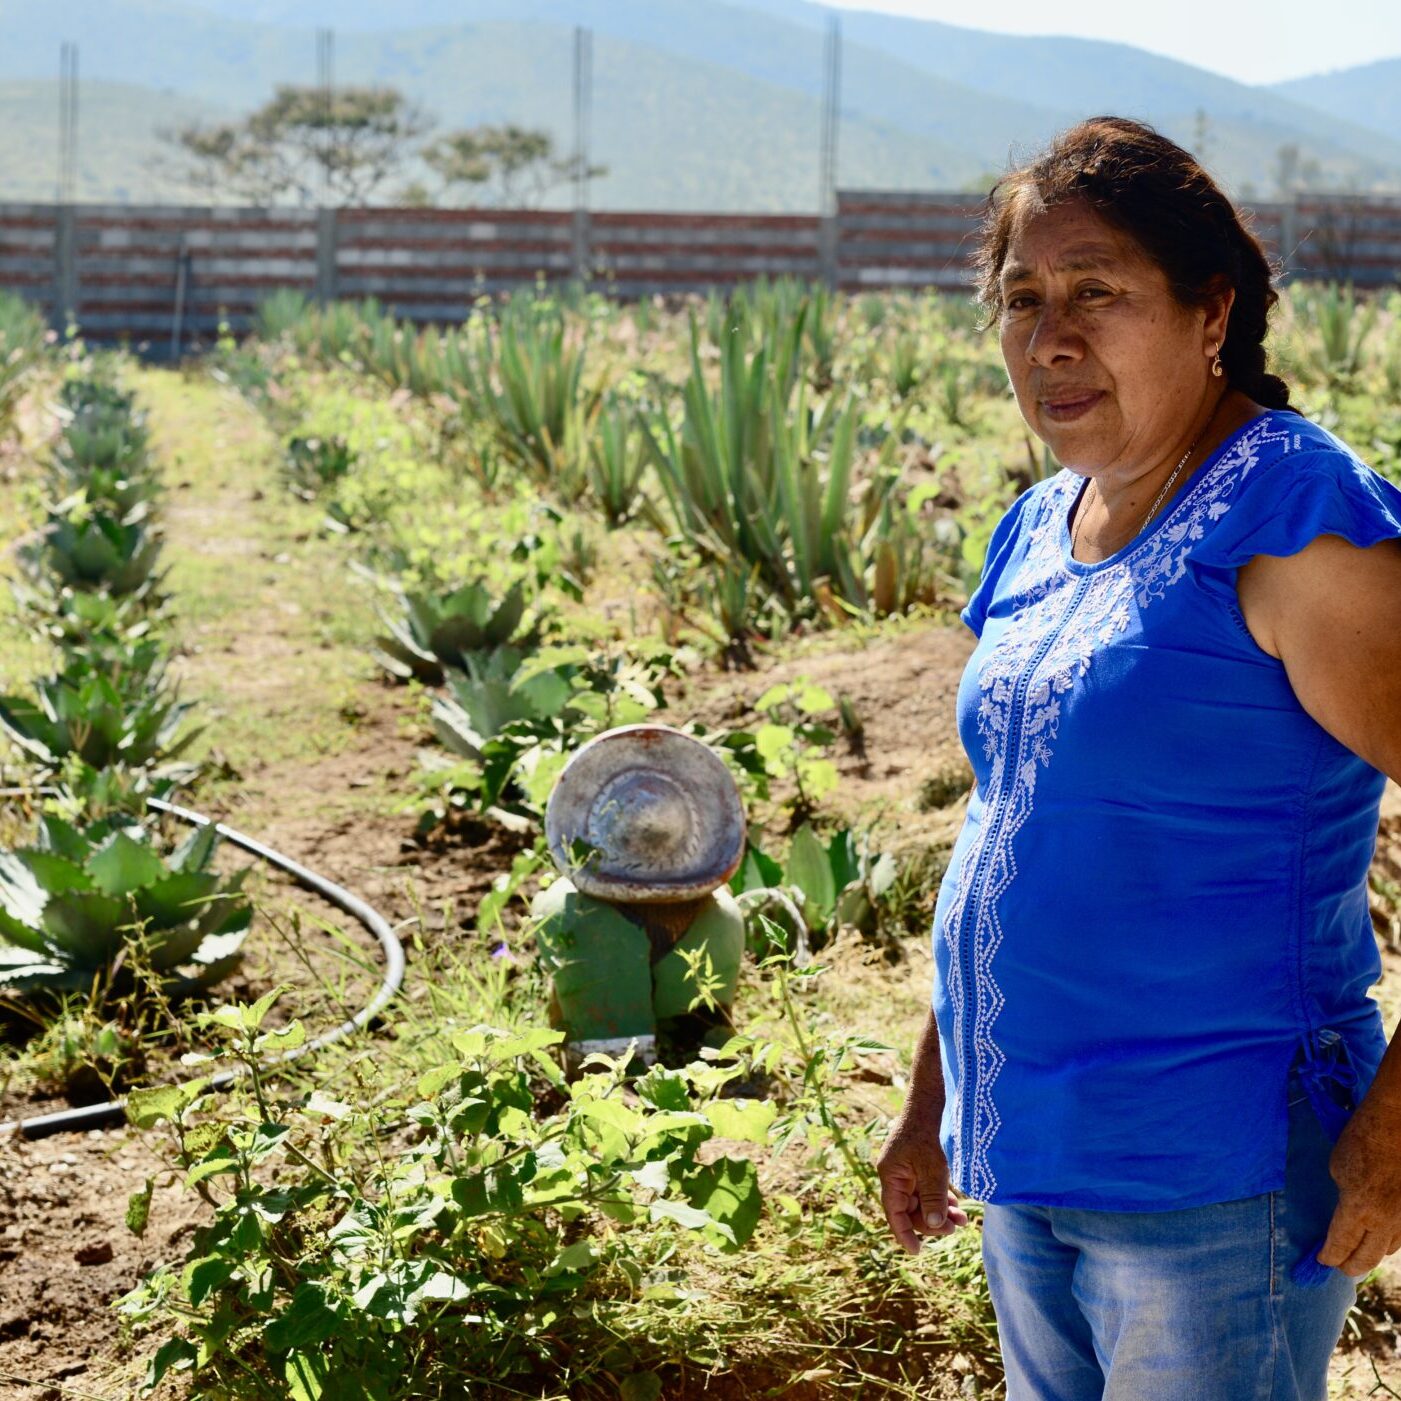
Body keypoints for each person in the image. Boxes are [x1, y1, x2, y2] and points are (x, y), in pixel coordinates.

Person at [875, 115, 1401, 1401]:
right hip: (1033, 1145)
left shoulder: (1295, 525)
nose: (1051, 337)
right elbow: (1016, 823)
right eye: (1022, 299)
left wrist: (1400, 1123)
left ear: (1209, 309)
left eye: (1097, 292)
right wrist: (934, 1092)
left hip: (1210, 1170)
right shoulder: (1043, 525)